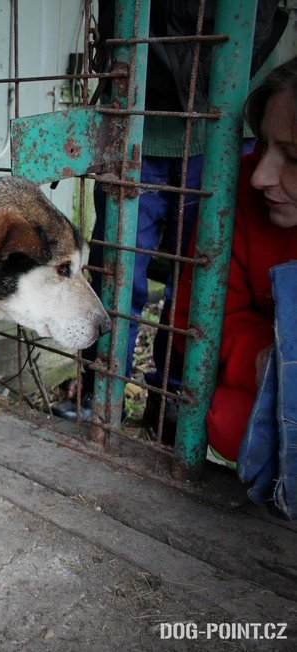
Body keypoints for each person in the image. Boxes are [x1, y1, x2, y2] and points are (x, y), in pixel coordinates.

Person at [51, 0, 287, 425]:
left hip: (225, 131)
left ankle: (175, 396)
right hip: (138, 124)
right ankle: (100, 387)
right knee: (117, 270)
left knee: (202, 280)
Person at [173, 56, 297, 464]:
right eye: (263, 143)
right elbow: (190, 320)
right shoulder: (237, 191)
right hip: (272, 380)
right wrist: (271, 361)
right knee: (230, 421)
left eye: (293, 157)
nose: (261, 176)